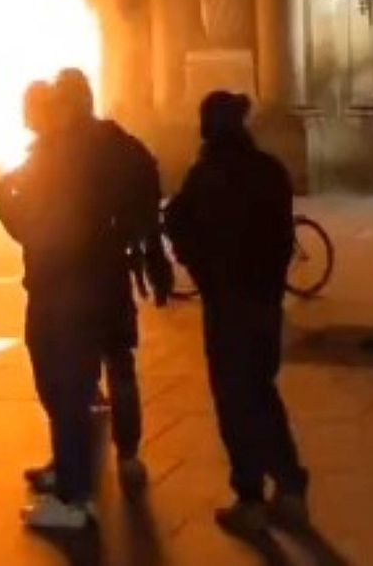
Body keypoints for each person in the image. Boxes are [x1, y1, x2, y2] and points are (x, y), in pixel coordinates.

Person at [164, 91, 309, 537]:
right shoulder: (269, 171)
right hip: (264, 302)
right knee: (261, 392)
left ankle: (250, 497)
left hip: (228, 305)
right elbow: (284, 237)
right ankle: (289, 488)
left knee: (234, 399)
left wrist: (201, 270)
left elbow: (176, 223)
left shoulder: (207, 175)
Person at [33, 69, 173, 494]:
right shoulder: (121, 144)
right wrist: (151, 253)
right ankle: (127, 456)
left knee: (73, 373)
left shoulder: (62, 150)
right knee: (119, 362)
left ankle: (73, 464)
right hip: (111, 271)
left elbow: (43, 214)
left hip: (75, 277)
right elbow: (149, 190)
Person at [0, 78, 117, 530]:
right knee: (66, 390)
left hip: (62, 290)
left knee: (61, 387)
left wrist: (1, 198)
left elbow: (38, 230)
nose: (25, 113)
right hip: (76, 285)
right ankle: (69, 472)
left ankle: (73, 497)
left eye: (29, 105)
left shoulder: (58, 158)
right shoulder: (69, 153)